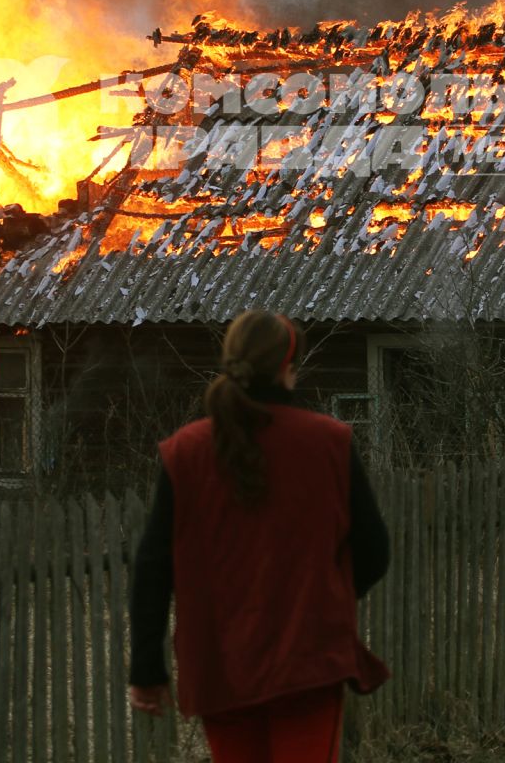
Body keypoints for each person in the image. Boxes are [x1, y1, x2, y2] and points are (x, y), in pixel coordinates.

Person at [128, 310, 391, 762]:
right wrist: (324, 597)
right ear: (290, 365)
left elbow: (154, 568)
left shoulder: (186, 452)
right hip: (307, 660)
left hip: (220, 661)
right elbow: (374, 550)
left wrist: (146, 668)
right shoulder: (329, 443)